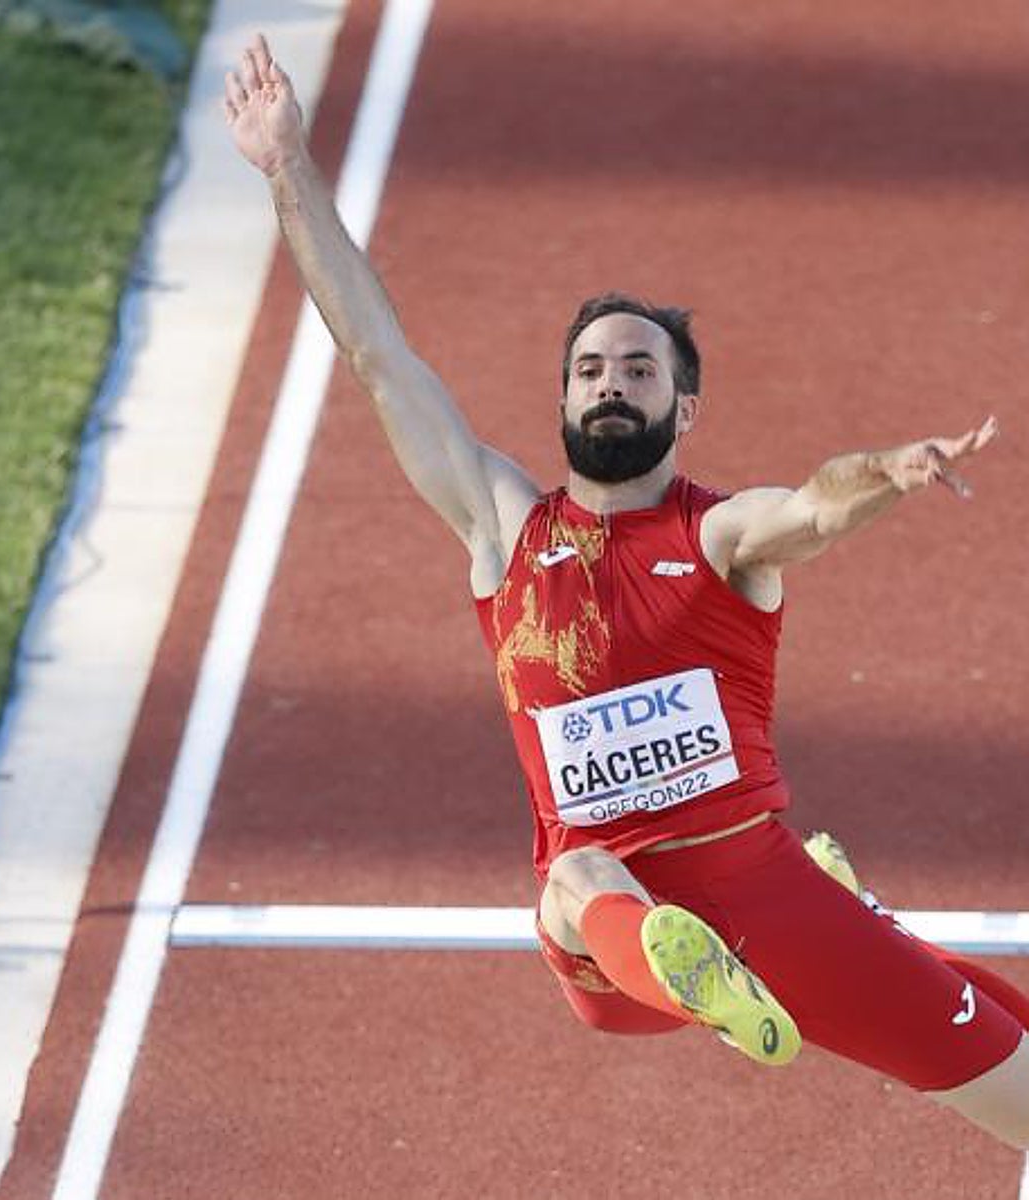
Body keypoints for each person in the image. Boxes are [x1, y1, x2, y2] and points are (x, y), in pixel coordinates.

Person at [223, 34, 1029, 1148]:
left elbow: (816, 504)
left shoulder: (719, 535)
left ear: (683, 410)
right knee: (573, 873)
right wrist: (285, 168)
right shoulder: (503, 524)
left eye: (640, 368)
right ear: (561, 399)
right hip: (615, 943)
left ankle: (810, 936)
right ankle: (698, 971)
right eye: (592, 369)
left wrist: (886, 471)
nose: (613, 383)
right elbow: (376, 353)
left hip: (760, 888)